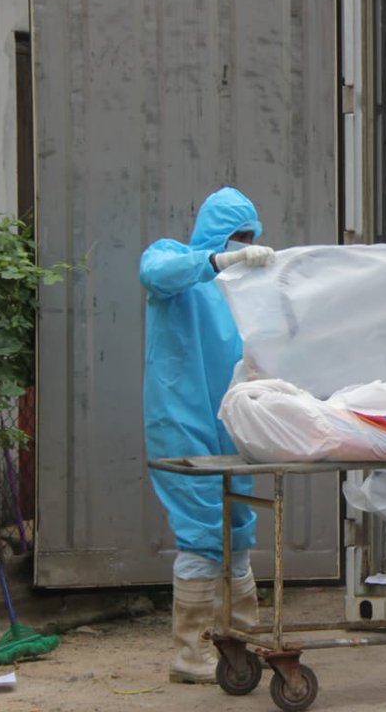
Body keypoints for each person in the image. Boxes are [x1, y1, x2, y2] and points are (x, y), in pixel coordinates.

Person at [140, 186, 276, 683]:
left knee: (237, 529)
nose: (244, 244)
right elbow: (158, 274)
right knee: (201, 534)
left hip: (232, 420)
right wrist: (220, 260)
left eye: (249, 236)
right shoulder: (174, 259)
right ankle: (189, 652)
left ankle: (241, 642)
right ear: (216, 234)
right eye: (237, 235)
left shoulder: (246, 288)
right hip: (181, 418)